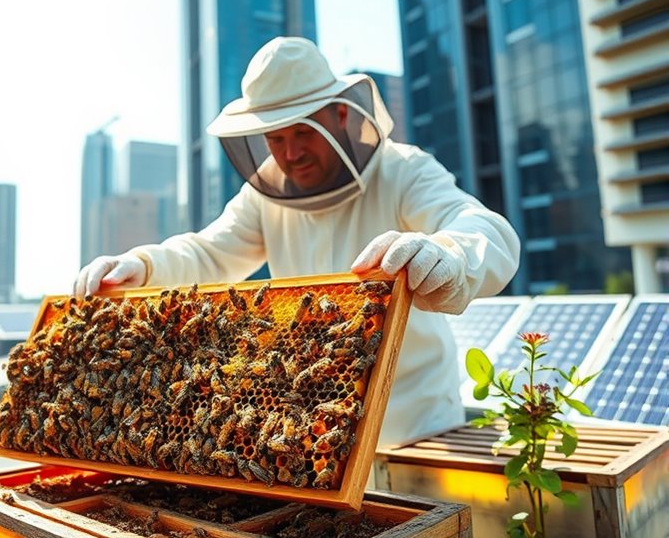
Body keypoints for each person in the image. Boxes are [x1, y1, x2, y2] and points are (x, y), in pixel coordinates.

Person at [74, 36, 520, 446]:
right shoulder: (264, 195)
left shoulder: (404, 170)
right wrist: (145, 265)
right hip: (317, 434)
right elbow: (210, 253)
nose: (290, 154)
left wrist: (447, 255)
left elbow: (483, 228)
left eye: (304, 132)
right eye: (276, 138)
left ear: (340, 114)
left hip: (415, 427)